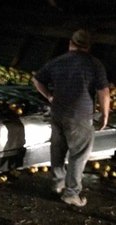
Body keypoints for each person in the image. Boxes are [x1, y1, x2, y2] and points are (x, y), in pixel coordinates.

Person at [32, 29, 110, 207]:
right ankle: (71, 193)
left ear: (71, 43)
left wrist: (50, 96)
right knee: (78, 154)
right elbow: (103, 91)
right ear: (88, 46)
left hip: (58, 113)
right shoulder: (94, 64)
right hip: (80, 116)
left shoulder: (58, 61)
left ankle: (58, 183)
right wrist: (105, 113)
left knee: (57, 150)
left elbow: (37, 80)